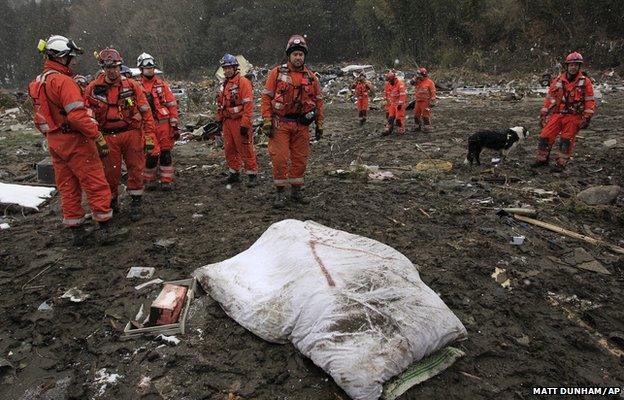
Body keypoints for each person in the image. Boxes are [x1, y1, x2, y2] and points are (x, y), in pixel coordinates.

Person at [28, 35, 126, 245]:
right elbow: (77, 115)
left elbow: (41, 117)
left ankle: (77, 232)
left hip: (55, 141)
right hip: (75, 140)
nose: (73, 61)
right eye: (70, 57)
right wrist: (96, 135)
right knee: (95, 182)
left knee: (67, 186)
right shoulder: (63, 82)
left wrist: (53, 135)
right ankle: (106, 228)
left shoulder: (39, 82)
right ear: (61, 57)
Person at [84, 48, 157, 221]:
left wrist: (149, 136)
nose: (113, 70)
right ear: (103, 68)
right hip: (107, 135)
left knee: (136, 168)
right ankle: (112, 200)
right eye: (109, 67)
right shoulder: (93, 89)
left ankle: (136, 201)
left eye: (116, 67)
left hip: (131, 132)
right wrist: (95, 137)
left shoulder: (132, 86)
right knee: (110, 173)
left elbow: (146, 112)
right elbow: (87, 116)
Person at [261, 35, 324, 208]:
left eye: (301, 55)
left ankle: (296, 190)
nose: (298, 57)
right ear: (289, 55)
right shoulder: (276, 73)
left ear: (304, 57)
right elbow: (266, 98)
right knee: (279, 159)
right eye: (295, 54)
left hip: (302, 125)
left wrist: (319, 123)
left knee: (300, 159)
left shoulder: (312, 78)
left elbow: (319, 101)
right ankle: (280, 192)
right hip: (280, 123)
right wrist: (267, 120)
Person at [533, 52, 596, 171]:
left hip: (574, 116)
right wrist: (544, 112)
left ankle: (561, 164)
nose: (573, 67)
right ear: (567, 66)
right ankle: (542, 159)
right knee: (545, 136)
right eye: (571, 65)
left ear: (579, 67)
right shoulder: (558, 80)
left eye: (576, 65)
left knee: (566, 140)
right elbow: (550, 97)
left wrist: (587, 117)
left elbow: (589, 100)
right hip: (558, 114)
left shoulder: (585, 82)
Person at [137, 53, 179, 190]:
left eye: (151, 68)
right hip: (148, 126)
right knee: (151, 154)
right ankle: (149, 180)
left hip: (164, 125)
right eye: (147, 68)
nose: (150, 70)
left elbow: (172, 104)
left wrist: (174, 124)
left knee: (166, 153)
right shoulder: (137, 86)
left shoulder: (162, 85)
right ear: (141, 69)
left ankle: (166, 181)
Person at [216, 53, 258, 186]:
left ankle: (252, 174)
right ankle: (234, 173)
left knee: (245, 148)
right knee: (229, 149)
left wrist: (245, 124)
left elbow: (248, 105)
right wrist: (219, 121)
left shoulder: (243, 82)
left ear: (235, 68)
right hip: (227, 121)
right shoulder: (224, 84)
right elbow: (221, 104)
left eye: (229, 67)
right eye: (225, 68)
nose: (227, 70)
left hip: (239, 121)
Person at [409, 67, 436, 132]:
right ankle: (417, 126)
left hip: (426, 101)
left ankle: (427, 127)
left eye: (419, 75)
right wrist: (414, 79)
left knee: (425, 115)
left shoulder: (430, 82)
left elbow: (433, 92)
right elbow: (412, 83)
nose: (418, 76)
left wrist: (433, 100)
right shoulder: (418, 81)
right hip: (418, 101)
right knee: (416, 114)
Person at [382, 71, 407, 135]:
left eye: (390, 81)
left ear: (393, 79)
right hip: (393, 104)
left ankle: (401, 128)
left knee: (399, 118)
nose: (389, 82)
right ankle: (389, 128)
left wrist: (400, 104)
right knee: (390, 117)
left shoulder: (400, 84)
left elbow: (402, 95)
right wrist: (387, 101)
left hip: (399, 104)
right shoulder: (390, 84)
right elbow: (389, 93)